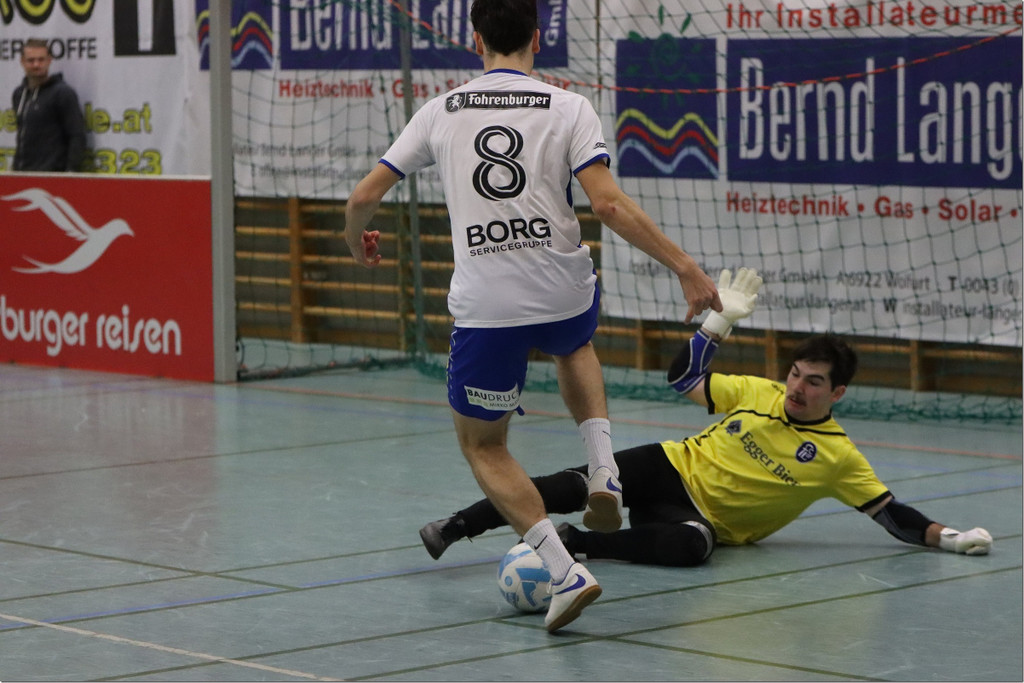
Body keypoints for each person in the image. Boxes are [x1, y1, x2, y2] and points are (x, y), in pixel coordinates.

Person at [345, 0, 721, 632]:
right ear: (538, 38)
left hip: (489, 304)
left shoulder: (440, 110)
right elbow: (607, 205)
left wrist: (356, 241)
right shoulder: (569, 106)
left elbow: (364, 196)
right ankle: (603, 469)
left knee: (485, 446)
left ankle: (564, 570)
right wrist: (684, 265)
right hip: (562, 285)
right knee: (574, 343)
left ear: (476, 40)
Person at [419, 267, 993, 570]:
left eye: (814, 382)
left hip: (699, 517)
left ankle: (575, 545)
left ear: (837, 393)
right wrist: (718, 324)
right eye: (795, 373)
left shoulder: (838, 458)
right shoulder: (759, 391)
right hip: (671, 465)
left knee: (693, 545)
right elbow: (682, 377)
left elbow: (892, 515)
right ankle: (456, 526)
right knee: (579, 482)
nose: (797, 387)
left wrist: (948, 537)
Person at [12, 38, 86, 172]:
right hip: (22, 175)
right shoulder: (19, 94)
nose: (36, 65)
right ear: (22, 61)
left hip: (52, 176)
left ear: (49, 60)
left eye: (41, 60)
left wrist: (71, 173)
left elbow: (77, 135)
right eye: (31, 60)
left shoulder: (62, 93)